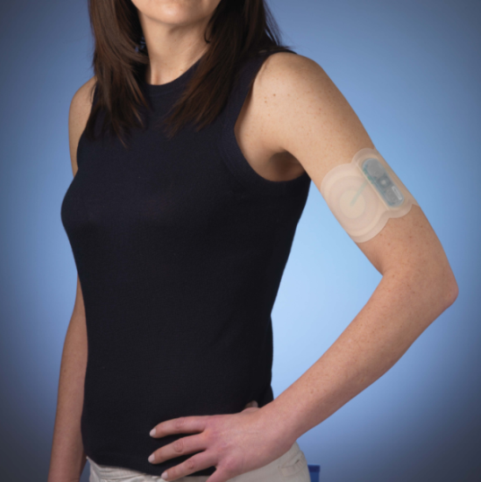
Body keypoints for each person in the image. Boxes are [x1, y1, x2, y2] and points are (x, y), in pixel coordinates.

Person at [48, 1, 458, 482]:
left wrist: (275, 425)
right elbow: (91, 306)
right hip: (102, 471)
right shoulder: (91, 107)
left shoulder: (279, 89)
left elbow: (425, 276)